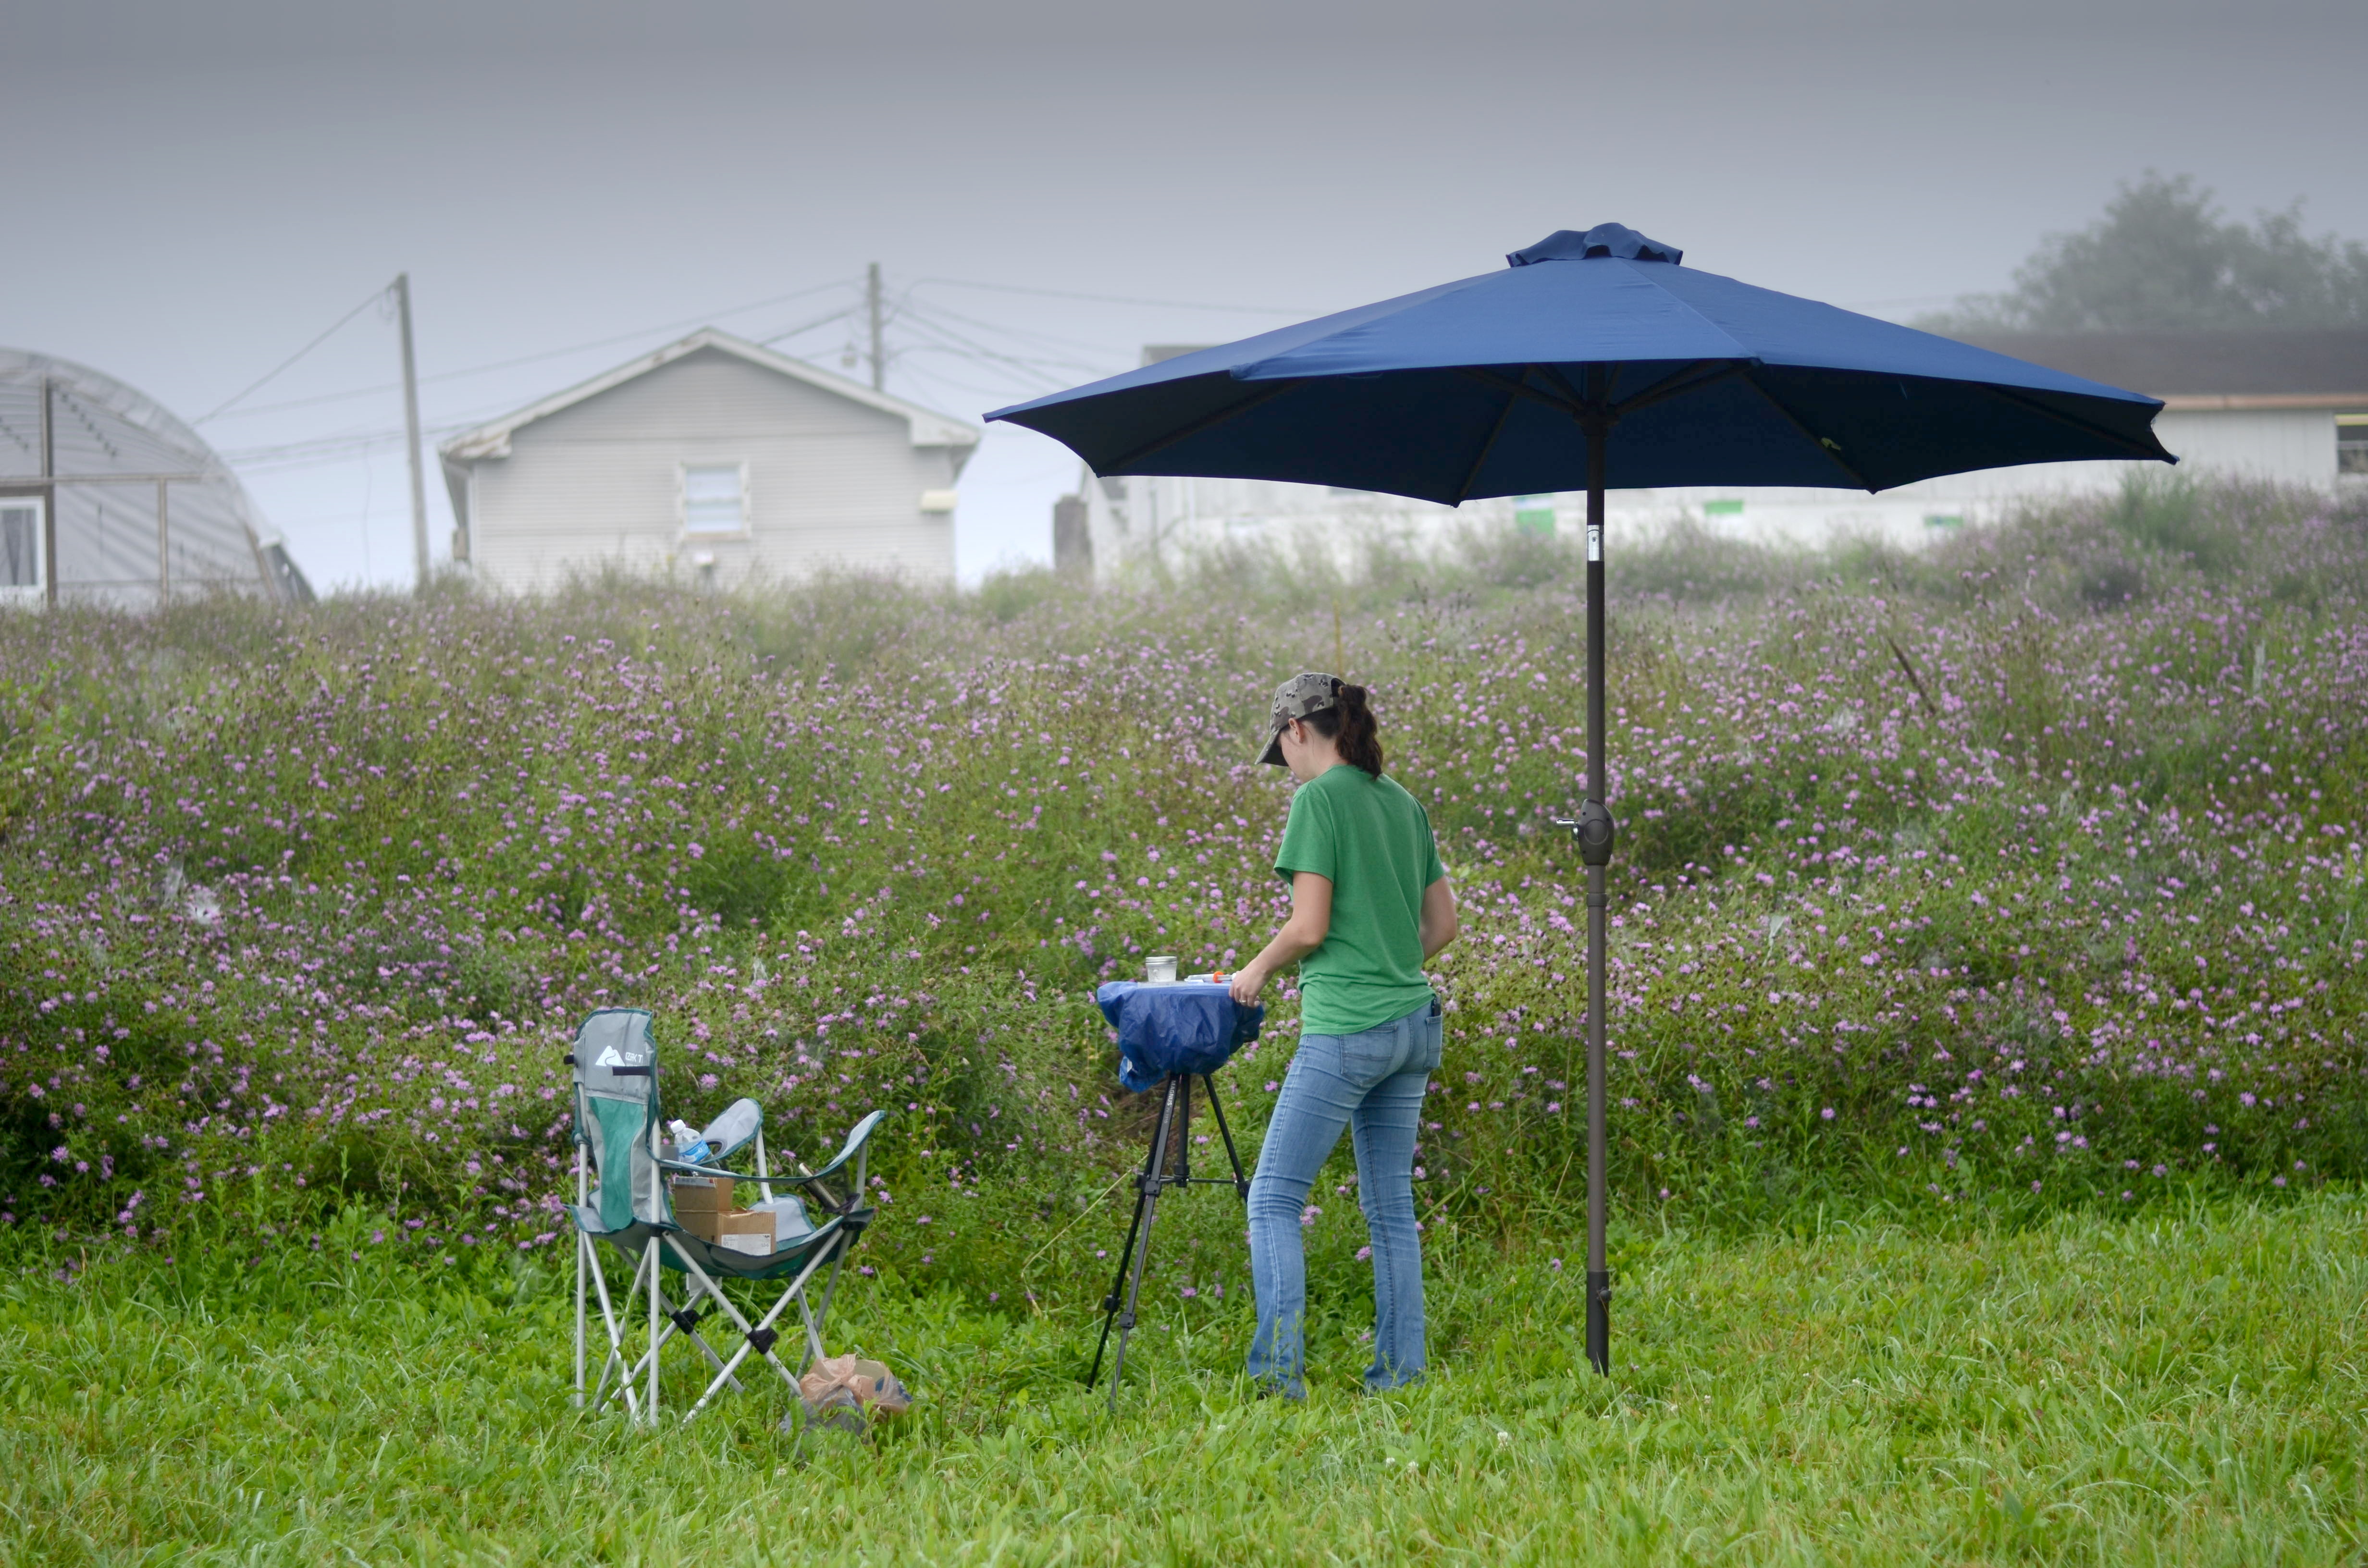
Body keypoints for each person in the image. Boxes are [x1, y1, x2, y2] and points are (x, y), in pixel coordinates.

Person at [1227, 672, 1458, 1398]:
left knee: (1272, 1200)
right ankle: (1400, 1374)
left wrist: (1255, 970)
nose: (1285, 767)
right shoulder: (1402, 803)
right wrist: (1389, 966)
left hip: (1348, 1029)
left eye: (1283, 749)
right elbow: (1443, 926)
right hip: (1413, 1024)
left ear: (1298, 731)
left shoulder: (1318, 801)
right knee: (1390, 1205)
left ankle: (1277, 1380)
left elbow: (1309, 927)